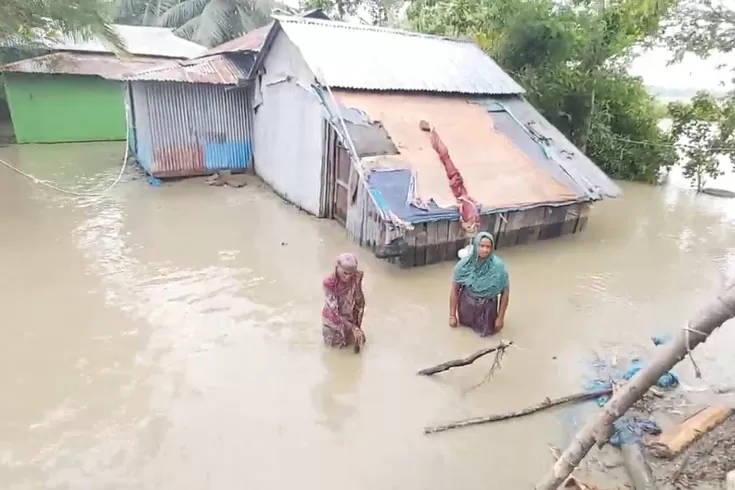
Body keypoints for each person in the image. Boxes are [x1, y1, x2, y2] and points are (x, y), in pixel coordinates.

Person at [449, 232, 510, 337]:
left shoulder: (499, 267)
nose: (485, 250)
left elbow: (505, 293)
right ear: (476, 246)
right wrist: (452, 315)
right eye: (482, 246)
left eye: (488, 247)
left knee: (487, 337)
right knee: (464, 335)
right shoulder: (463, 265)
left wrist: (500, 318)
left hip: (487, 308)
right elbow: (455, 290)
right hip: (466, 305)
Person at [322, 253, 366, 351]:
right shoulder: (329, 283)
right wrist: (354, 328)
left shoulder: (356, 278)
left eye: (351, 274)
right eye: (345, 273)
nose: (348, 277)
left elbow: (360, 304)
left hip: (350, 320)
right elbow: (334, 312)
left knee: (358, 345)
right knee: (335, 353)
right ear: (337, 268)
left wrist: (357, 326)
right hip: (333, 324)